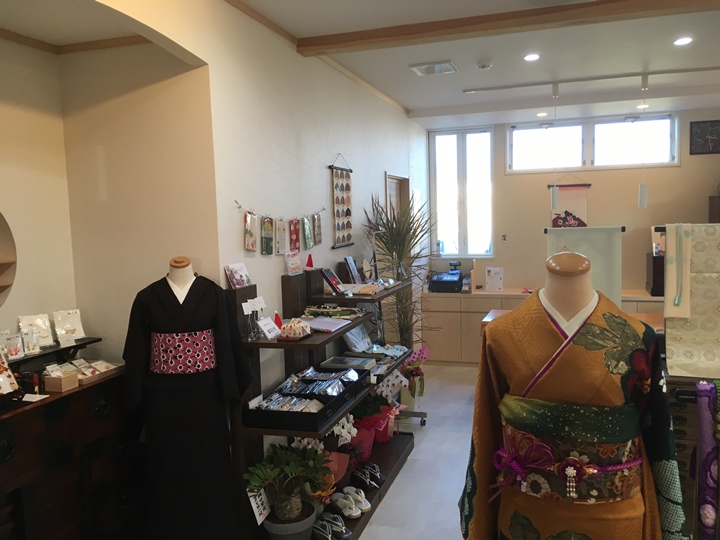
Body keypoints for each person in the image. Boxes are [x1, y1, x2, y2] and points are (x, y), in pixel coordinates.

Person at [459, 252, 688, 540]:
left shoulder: (639, 338)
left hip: (615, 516)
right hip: (526, 511)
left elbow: (658, 436)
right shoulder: (500, 335)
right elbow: (486, 429)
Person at [123, 256, 252, 539]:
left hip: (207, 397)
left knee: (209, 469)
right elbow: (136, 352)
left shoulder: (213, 294)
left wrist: (231, 390)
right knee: (166, 470)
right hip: (162, 402)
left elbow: (229, 344)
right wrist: (136, 401)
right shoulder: (147, 298)